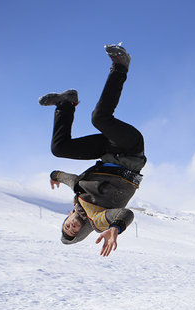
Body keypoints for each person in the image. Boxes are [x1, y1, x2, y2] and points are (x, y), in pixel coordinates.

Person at [39, 44, 146, 256]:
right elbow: (125, 214)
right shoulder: (98, 220)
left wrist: (55, 175)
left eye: (66, 226)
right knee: (100, 118)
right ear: (82, 232)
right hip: (130, 151)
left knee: (59, 148)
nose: (71, 227)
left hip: (107, 152)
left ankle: (66, 104)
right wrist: (115, 228)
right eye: (74, 232)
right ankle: (120, 66)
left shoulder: (79, 201)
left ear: (67, 217)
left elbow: (73, 181)